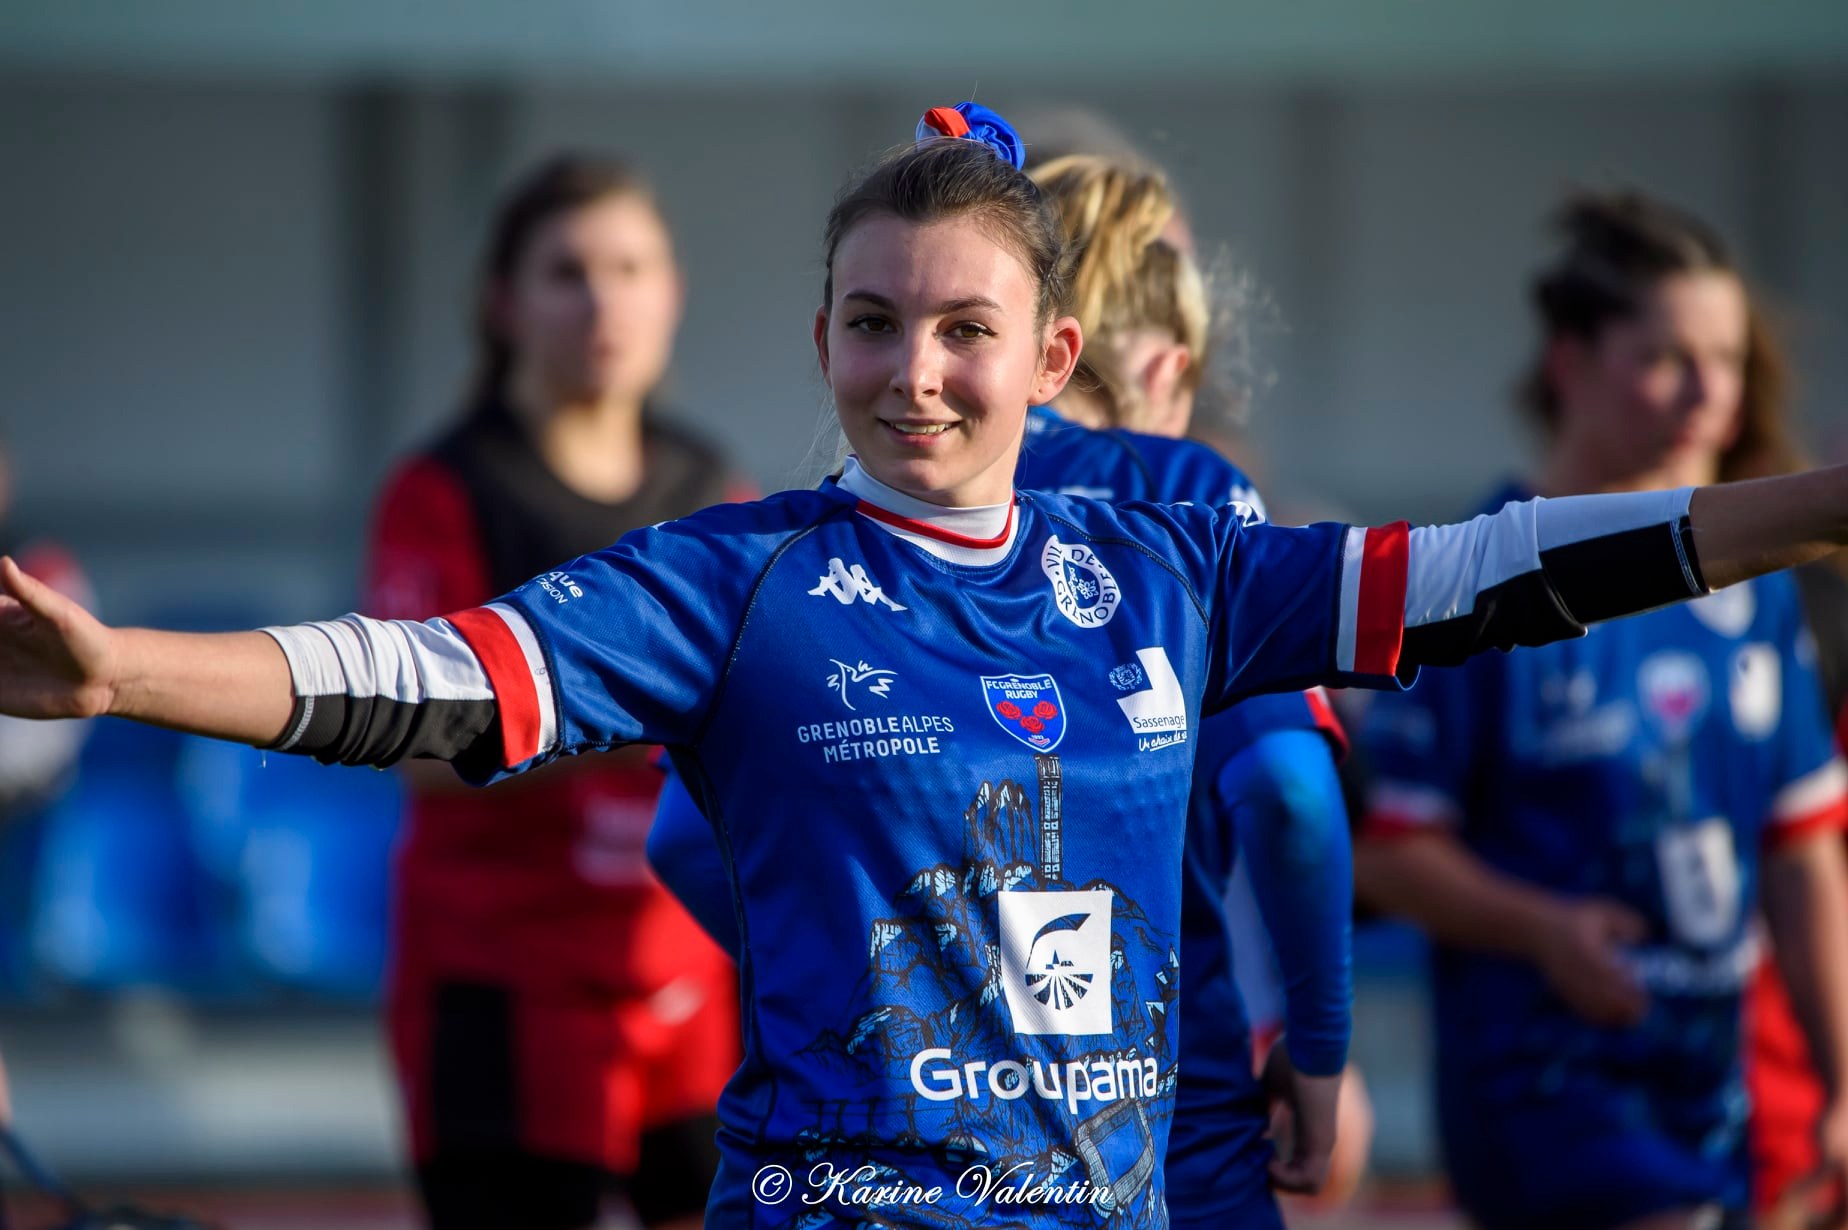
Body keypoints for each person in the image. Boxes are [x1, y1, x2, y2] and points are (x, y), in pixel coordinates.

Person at [0, 104, 1844, 1229]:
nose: (913, 375)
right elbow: (429, 674)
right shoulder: (740, 577)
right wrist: (117, 676)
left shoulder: (1170, 563)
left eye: (963, 331)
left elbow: (1489, 570)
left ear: (1051, 355)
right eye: (872, 326)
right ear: (818, 338)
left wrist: (1807, 506)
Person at [646, 148, 1353, 1227]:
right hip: (1160, 1132)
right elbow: (1291, 797)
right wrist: (1321, 1051)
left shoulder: (847, 525)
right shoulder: (1186, 504)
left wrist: (911, 978)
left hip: (887, 1144)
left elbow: (686, 843)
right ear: (1166, 369)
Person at [1353, 190, 1848, 1230]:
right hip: (1547, 1095)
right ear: (1569, 364)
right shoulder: (1480, 579)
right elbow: (1386, 851)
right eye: (1665, 357)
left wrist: (1842, 1078)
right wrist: (1544, 930)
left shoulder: (1757, 592)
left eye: (1727, 357)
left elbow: (1802, 850)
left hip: (1712, 1107)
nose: (1707, 391)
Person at [365, 154, 747, 1230]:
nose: (605, 301)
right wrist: (614, 714)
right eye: (568, 271)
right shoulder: (445, 490)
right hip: (502, 982)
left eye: (631, 267)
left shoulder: (710, 490)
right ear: (503, 303)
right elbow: (418, 753)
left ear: (672, 292)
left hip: (684, 984)